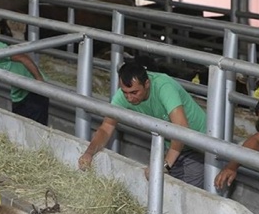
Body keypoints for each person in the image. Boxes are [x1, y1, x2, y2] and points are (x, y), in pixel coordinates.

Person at [78, 61, 206, 189]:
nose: (129, 98)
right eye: (125, 92)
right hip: (173, 146)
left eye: (134, 92)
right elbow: (106, 128)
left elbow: (181, 128)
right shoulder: (124, 95)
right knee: (170, 191)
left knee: (187, 192)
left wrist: (164, 165)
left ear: (147, 84)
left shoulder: (164, 86)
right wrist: (89, 153)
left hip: (199, 144)